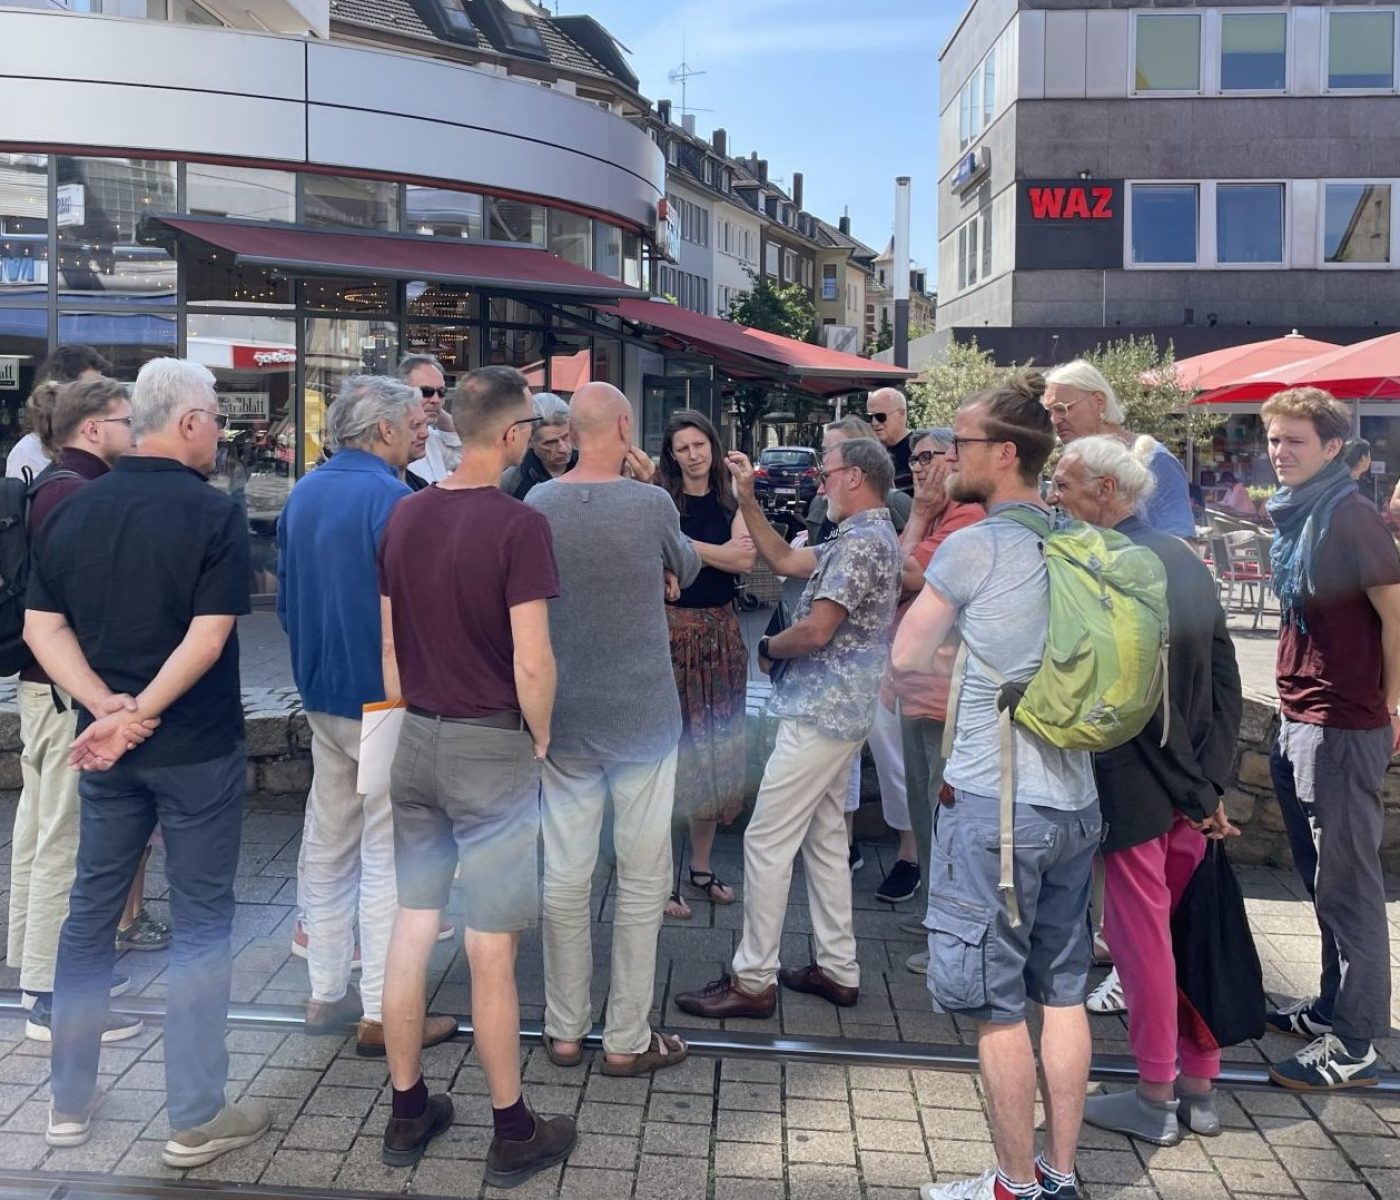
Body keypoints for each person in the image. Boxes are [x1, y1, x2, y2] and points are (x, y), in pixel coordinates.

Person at [26, 358, 269, 1167]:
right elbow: (209, 636)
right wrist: (139, 713)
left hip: (108, 754)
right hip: (195, 748)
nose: (221, 434)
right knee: (201, 922)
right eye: (217, 420)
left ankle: (67, 1101)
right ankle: (194, 1116)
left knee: (90, 912)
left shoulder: (71, 506)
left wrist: (106, 708)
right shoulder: (213, 513)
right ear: (191, 421)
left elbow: (40, 628)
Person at [891, 377, 1098, 1200]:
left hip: (994, 806)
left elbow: (907, 655)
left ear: (1006, 454)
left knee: (999, 1004)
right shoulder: (1075, 537)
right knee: (1066, 993)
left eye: (963, 443)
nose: (949, 457)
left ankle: (1013, 1183)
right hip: (1075, 801)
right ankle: (1060, 1173)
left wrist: (967, 656)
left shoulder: (975, 546)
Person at [377, 365, 577, 1181]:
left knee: (412, 924)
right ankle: (513, 1128)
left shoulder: (404, 514)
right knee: (492, 945)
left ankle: (407, 1111)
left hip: (416, 737)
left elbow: (391, 644)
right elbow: (533, 659)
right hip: (490, 746)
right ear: (514, 434)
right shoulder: (518, 525)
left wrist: (408, 715)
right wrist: (541, 735)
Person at [1048, 436, 1242, 1144]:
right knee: (1184, 931)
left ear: (1107, 490)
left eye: (1065, 483)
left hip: (1139, 786)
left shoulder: (1110, 565)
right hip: (1190, 785)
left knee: (1142, 944)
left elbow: (1136, 703)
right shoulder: (1183, 558)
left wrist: (1197, 789)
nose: (1055, 495)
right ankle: (1199, 1087)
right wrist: (1210, 785)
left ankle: (1155, 1095)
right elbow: (1224, 678)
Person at [675, 437, 901, 1020]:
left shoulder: (861, 543)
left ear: (855, 477)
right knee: (824, 839)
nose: (820, 482)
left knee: (766, 840)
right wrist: (748, 499)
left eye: (827, 472)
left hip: (820, 713)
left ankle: (753, 979)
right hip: (840, 712)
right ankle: (838, 967)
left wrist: (770, 647)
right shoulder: (864, 536)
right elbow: (782, 561)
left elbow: (817, 630)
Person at [278, 375, 456, 1058]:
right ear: (383, 429)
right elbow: (422, 611)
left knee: (328, 840)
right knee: (388, 852)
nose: (423, 432)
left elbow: (287, 602)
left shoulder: (304, 492)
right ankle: (384, 1011)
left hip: (321, 690)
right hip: (385, 698)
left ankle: (326, 991)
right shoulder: (396, 500)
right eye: (415, 423)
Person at [526, 382, 700, 1076]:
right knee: (642, 876)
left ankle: (564, 1028)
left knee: (566, 874)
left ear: (570, 432)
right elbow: (686, 565)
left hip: (565, 716)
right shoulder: (651, 502)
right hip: (643, 716)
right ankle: (627, 1037)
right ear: (625, 426)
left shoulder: (539, 503)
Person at [1261, 388, 1400, 1091]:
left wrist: (1391, 705)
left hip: (1342, 724)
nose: (1279, 452)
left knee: (1347, 888)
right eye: (1274, 439)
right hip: (1300, 717)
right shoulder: (1299, 513)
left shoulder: (1348, 515)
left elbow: (1397, 614)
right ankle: (1329, 1008)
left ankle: (1356, 1043)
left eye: (1295, 441)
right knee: (1323, 882)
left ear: (1333, 447)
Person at [10, 377, 145, 1042]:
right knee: (65, 837)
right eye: (127, 421)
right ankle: (52, 996)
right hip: (69, 691)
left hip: (43, 687)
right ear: (93, 428)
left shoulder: (48, 485)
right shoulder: (78, 495)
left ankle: (33, 969)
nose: (137, 432)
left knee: (39, 829)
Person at [881, 428, 984, 960]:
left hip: (946, 697)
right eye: (915, 459)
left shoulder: (965, 519)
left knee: (946, 818)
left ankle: (951, 940)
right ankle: (933, 918)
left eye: (930, 457)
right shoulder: (940, 517)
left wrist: (918, 515)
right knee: (926, 814)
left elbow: (901, 574)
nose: (919, 467)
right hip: (918, 690)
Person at [654, 410, 755, 920]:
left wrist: (686, 548)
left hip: (721, 636)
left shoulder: (732, 497)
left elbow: (744, 561)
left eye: (700, 444)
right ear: (671, 455)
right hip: (669, 635)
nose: (693, 455)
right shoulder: (660, 499)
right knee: (668, 751)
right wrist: (717, 551)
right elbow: (656, 557)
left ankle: (700, 866)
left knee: (715, 750)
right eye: (683, 448)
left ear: (713, 446)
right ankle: (660, 876)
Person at [1043, 360, 1195, 539]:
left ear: (1098, 401)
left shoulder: (1154, 459)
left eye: (1061, 409)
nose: (1054, 420)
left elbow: (1181, 544)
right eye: (1049, 412)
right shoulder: (1071, 461)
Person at [6, 345, 110, 481]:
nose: (99, 397)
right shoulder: (28, 452)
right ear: (63, 392)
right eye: (89, 390)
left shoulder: (94, 442)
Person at [806, 416, 912, 543]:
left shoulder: (894, 503)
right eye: (824, 450)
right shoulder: (820, 504)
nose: (826, 457)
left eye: (837, 449)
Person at [400, 354, 463, 485]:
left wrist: (435, 412)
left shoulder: (431, 437)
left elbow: (462, 454)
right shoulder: (392, 442)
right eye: (426, 391)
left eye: (441, 392)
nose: (436, 399)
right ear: (403, 391)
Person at [501, 392, 577, 499]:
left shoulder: (591, 465)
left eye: (566, 437)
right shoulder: (511, 483)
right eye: (550, 442)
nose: (563, 449)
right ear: (529, 441)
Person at [867, 386, 915, 493]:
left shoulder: (918, 449)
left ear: (901, 413)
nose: (874, 423)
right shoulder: (871, 453)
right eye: (870, 417)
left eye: (880, 416)